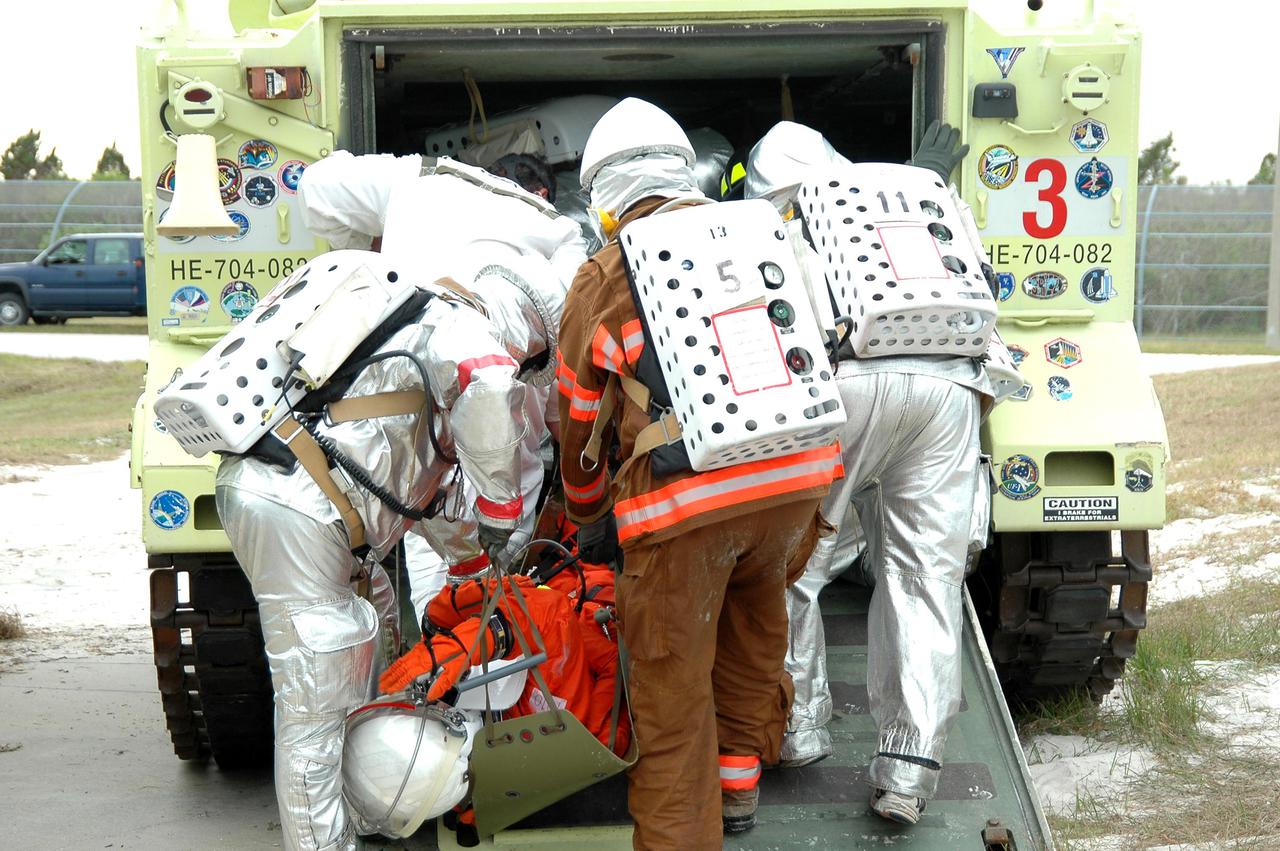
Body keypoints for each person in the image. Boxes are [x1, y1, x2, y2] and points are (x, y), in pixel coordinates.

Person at [556, 97, 843, 849]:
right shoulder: (770, 236)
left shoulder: (603, 274)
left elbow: (578, 423)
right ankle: (740, 789)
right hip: (797, 488)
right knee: (753, 636)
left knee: (671, 696)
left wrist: (589, 518)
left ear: (606, 201)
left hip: (684, 509)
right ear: (687, 173)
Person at [740, 120, 1009, 825]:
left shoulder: (778, 224)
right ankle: (908, 768)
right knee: (924, 578)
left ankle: (798, 725)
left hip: (848, 384)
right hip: (952, 387)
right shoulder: (907, 205)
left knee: (796, 563)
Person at [299, 151, 585, 611]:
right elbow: (564, 399)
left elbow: (317, 188)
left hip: (414, 457)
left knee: (443, 618)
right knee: (495, 622)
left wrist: (360, 251)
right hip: (505, 466)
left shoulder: (419, 179)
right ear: (544, 192)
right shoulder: (562, 238)